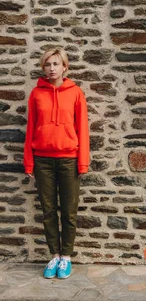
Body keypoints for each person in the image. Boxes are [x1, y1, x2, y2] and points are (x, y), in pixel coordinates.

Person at [24, 47, 89, 279]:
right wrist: (29, 162)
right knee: (48, 211)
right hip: (42, 160)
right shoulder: (36, 94)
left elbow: (82, 128)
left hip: (69, 160)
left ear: (65, 67)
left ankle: (67, 257)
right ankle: (54, 255)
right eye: (47, 64)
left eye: (55, 64)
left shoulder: (75, 93)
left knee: (69, 212)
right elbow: (31, 128)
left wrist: (83, 163)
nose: (51, 68)